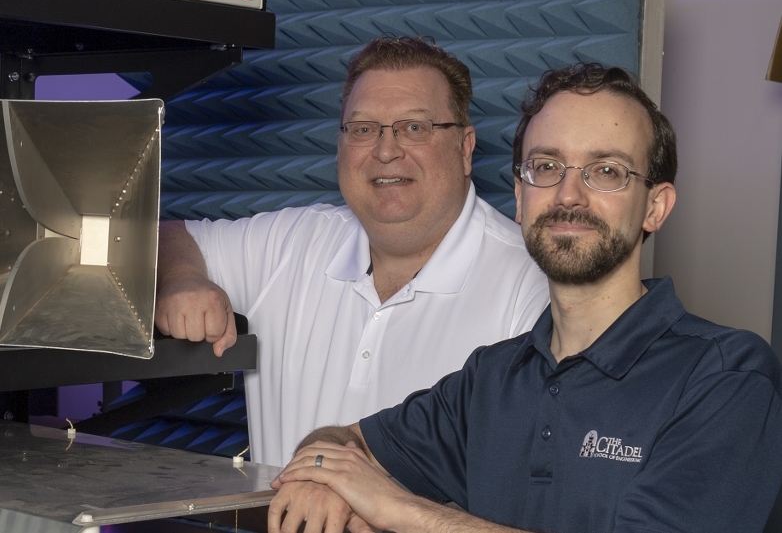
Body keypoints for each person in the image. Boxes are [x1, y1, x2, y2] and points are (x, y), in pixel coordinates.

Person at [268, 63, 782, 533]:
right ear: (519, 197)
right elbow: (342, 442)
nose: (568, 196)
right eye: (546, 166)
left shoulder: (727, 378)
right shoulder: (490, 380)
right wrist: (319, 479)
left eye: (606, 171)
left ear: (655, 207)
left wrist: (403, 513)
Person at [155, 35, 549, 467]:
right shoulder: (294, 242)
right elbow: (169, 236)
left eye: (414, 128)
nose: (385, 150)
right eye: (363, 129)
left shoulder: (528, 286)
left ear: (465, 148)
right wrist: (180, 278)